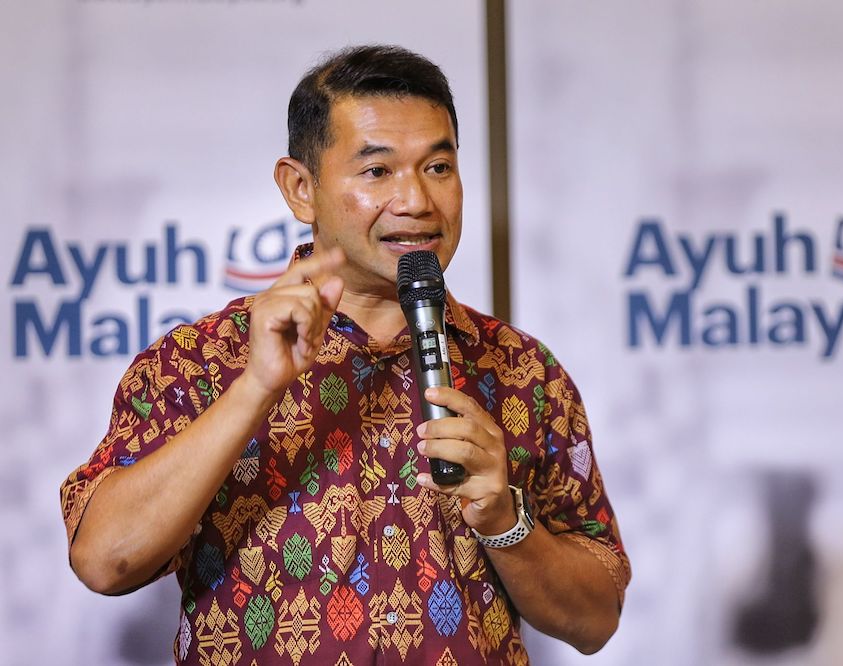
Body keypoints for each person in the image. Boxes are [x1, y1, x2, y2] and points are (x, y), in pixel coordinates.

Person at [60, 44, 629, 665]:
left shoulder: (521, 371)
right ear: (300, 189)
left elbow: (595, 621)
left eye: (438, 167)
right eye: (378, 171)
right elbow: (104, 559)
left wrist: (504, 521)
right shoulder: (200, 362)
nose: (416, 201)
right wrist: (253, 388)